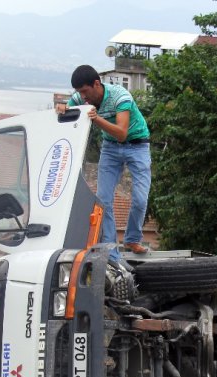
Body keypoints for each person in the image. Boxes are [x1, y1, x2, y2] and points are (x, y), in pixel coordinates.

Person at [66, 64, 151, 258]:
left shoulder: (120, 96)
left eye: (85, 92)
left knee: (139, 199)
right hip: (111, 148)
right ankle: (112, 253)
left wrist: (96, 119)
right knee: (103, 200)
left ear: (97, 84)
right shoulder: (80, 97)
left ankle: (132, 238)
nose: (83, 97)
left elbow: (122, 133)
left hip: (137, 145)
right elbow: (70, 110)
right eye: (79, 93)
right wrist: (63, 108)